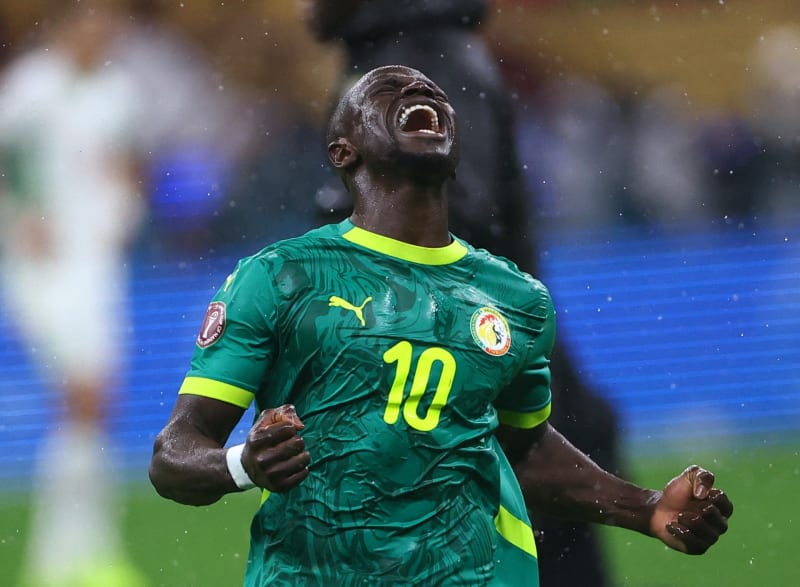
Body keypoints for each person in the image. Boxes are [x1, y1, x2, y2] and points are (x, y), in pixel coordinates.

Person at [149, 65, 733, 586]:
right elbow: (175, 455)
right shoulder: (281, 277)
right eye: (386, 89)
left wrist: (647, 509)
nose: (417, 87)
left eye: (430, 90)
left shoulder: (516, 299)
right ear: (343, 152)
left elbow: (523, 448)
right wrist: (243, 465)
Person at [299, 2, 621, 582]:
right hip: (488, 399)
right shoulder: (417, 55)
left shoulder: (418, 66)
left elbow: (454, 225)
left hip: (482, 411)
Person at [0, 6, 148, 587]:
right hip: (41, 263)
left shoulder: (119, 91)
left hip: (98, 263)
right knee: (85, 396)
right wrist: (23, 214)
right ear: (64, 24)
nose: (98, 30)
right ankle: (70, 556)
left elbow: (127, 162)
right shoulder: (32, 86)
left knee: (94, 405)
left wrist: (125, 203)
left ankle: (74, 556)